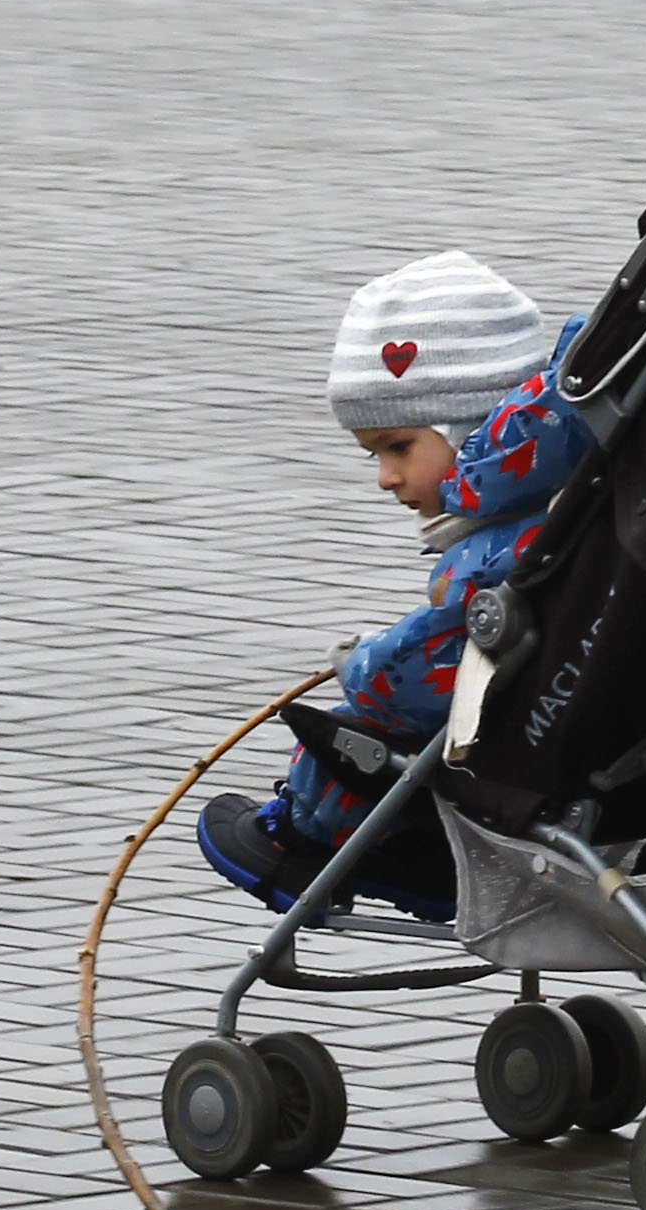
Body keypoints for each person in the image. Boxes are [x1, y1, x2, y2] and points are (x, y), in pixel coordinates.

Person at [198, 252, 588, 918]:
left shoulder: (503, 552)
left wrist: (358, 663)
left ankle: (314, 840)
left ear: (475, 428)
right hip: (561, 737)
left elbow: (409, 677)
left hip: (501, 780)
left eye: (398, 447)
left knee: (350, 729)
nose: (385, 477)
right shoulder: (569, 511)